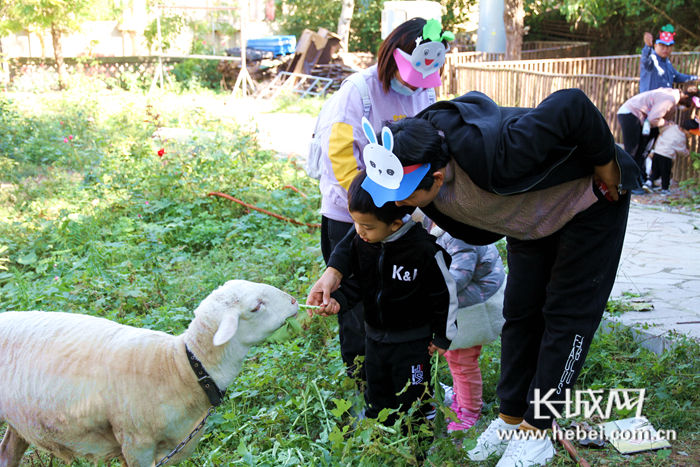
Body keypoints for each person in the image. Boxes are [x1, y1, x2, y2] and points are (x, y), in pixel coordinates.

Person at [307, 88, 642, 467]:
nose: (396, 206)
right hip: (528, 219)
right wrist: (335, 268)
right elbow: (375, 218)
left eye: (403, 198)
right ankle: (511, 419)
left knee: (566, 318)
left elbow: (573, 105)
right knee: (520, 313)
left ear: (435, 178)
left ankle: (538, 431)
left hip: (589, 202)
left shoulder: (497, 154)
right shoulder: (407, 163)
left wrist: (607, 165)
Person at [310, 17, 453, 381]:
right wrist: (374, 209)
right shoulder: (358, 91)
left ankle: (401, 371)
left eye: (423, 78)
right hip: (353, 209)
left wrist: (410, 207)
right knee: (355, 295)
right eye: (409, 74)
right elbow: (341, 155)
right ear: (392, 55)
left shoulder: (425, 90)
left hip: (401, 213)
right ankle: (361, 375)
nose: (412, 85)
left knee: (399, 289)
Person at [309, 170, 458, 436]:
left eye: (367, 227)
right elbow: (359, 284)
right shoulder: (363, 243)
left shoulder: (424, 251)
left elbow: (444, 294)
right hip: (374, 338)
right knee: (377, 391)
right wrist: (339, 301)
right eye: (355, 223)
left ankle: (419, 439)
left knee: (415, 394)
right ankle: (382, 434)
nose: (359, 232)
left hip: (412, 343)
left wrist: (443, 334)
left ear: (396, 224)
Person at [417, 214, 505, 433]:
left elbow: (459, 275)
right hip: (458, 305)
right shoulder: (435, 223)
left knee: (462, 361)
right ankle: (461, 399)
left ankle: (469, 412)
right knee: (455, 358)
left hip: (473, 306)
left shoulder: (459, 233)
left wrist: (426, 288)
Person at [617, 85, 699, 193]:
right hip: (631, 114)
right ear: (687, 98)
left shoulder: (673, 97)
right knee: (632, 151)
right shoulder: (669, 99)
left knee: (642, 152)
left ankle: (637, 181)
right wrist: (667, 123)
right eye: (692, 104)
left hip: (640, 119)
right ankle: (625, 184)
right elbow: (653, 119)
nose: (690, 107)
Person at [640, 24, 698, 93]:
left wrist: (696, 78)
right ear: (655, 46)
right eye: (662, 45)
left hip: (665, 100)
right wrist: (648, 46)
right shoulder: (651, 58)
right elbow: (645, 60)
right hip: (650, 102)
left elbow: (676, 77)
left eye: (669, 46)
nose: (665, 49)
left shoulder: (667, 62)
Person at [646, 118, 699, 194]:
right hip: (666, 156)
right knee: (666, 174)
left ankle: (649, 182)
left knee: (655, 170)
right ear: (687, 130)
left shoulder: (672, 127)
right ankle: (665, 189)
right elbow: (681, 150)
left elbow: (662, 130)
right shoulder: (681, 137)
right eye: (690, 134)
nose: (690, 135)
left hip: (657, 152)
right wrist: (687, 153)